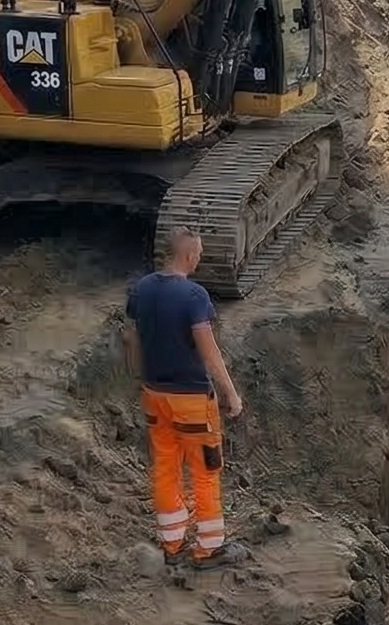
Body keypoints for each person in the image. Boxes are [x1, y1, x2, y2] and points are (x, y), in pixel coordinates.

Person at [124, 223, 250, 567]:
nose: (199, 260)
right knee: (206, 469)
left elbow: (132, 340)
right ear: (190, 255)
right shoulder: (194, 297)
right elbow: (209, 352)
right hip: (191, 401)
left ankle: (172, 544)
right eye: (199, 255)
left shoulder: (141, 290)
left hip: (154, 395)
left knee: (165, 466)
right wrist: (231, 395)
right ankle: (209, 548)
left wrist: (141, 379)